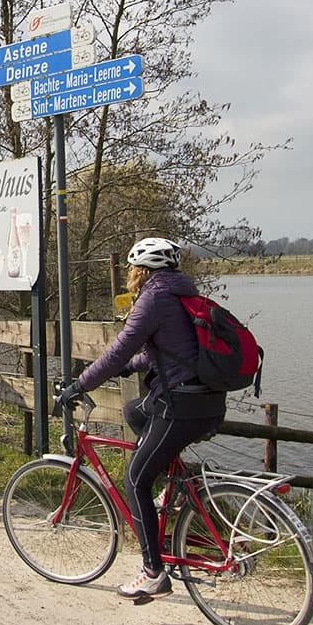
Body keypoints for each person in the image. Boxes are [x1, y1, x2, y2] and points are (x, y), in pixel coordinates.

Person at [55, 237, 226, 599]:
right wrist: (128, 368)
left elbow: (119, 348)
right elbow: (164, 353)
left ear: (142, 271)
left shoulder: (154, 297)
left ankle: (152, 573)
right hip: (206, 401)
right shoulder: (182, 293)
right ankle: (173, 485)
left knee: (134, 479)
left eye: (133, 270)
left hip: (179, 404)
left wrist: (79, 385)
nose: (131, 276)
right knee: (135, 411)